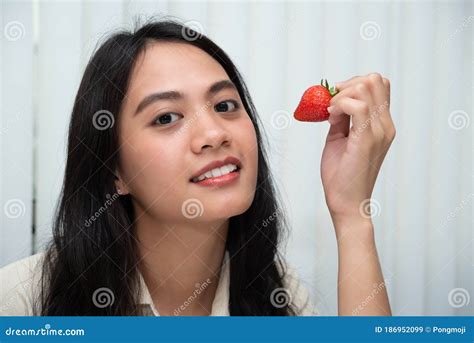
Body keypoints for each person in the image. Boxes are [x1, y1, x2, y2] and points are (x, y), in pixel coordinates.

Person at [0, 19, 394, 316]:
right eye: (167, 117)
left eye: (225, 106)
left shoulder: (280, 294)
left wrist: (351, 216)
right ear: (112, 172)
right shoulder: (21, 301)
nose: (213, 133)